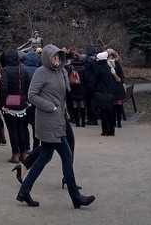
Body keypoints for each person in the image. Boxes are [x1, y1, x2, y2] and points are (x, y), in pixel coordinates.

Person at [16, 44, 95, 209]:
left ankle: (24, 190)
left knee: (44, 157)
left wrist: (63, 110)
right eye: (53, 57)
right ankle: (75, 196)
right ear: (46, 57)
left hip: (57, 119)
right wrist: (50, 106)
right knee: (66, 156)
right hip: (48, 120)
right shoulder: (41, 72)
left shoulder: (59, 71)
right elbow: (31, 95)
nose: (56, 59)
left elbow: (63, 93)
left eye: (58, 57)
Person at [0, 49, 31, 164]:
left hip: (10, 104)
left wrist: (3, 104)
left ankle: (15, 154)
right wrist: (25, 98)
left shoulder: (6, 71)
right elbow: (28, 84)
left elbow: (4, 89)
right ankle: (23, 153)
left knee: (12, 130)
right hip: (22, 103)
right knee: (21, 129)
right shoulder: (23, 69)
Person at [106, 48, 126, 129]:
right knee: (113, 104)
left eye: (111, 55)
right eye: (109, 55)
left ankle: (119, 121)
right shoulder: (106, 64)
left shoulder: (116, 63)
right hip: (111, 86)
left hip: (118, 85)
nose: (110, 57)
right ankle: (113, 121)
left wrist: (121, 80)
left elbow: (121, 73)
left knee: (118, 103)